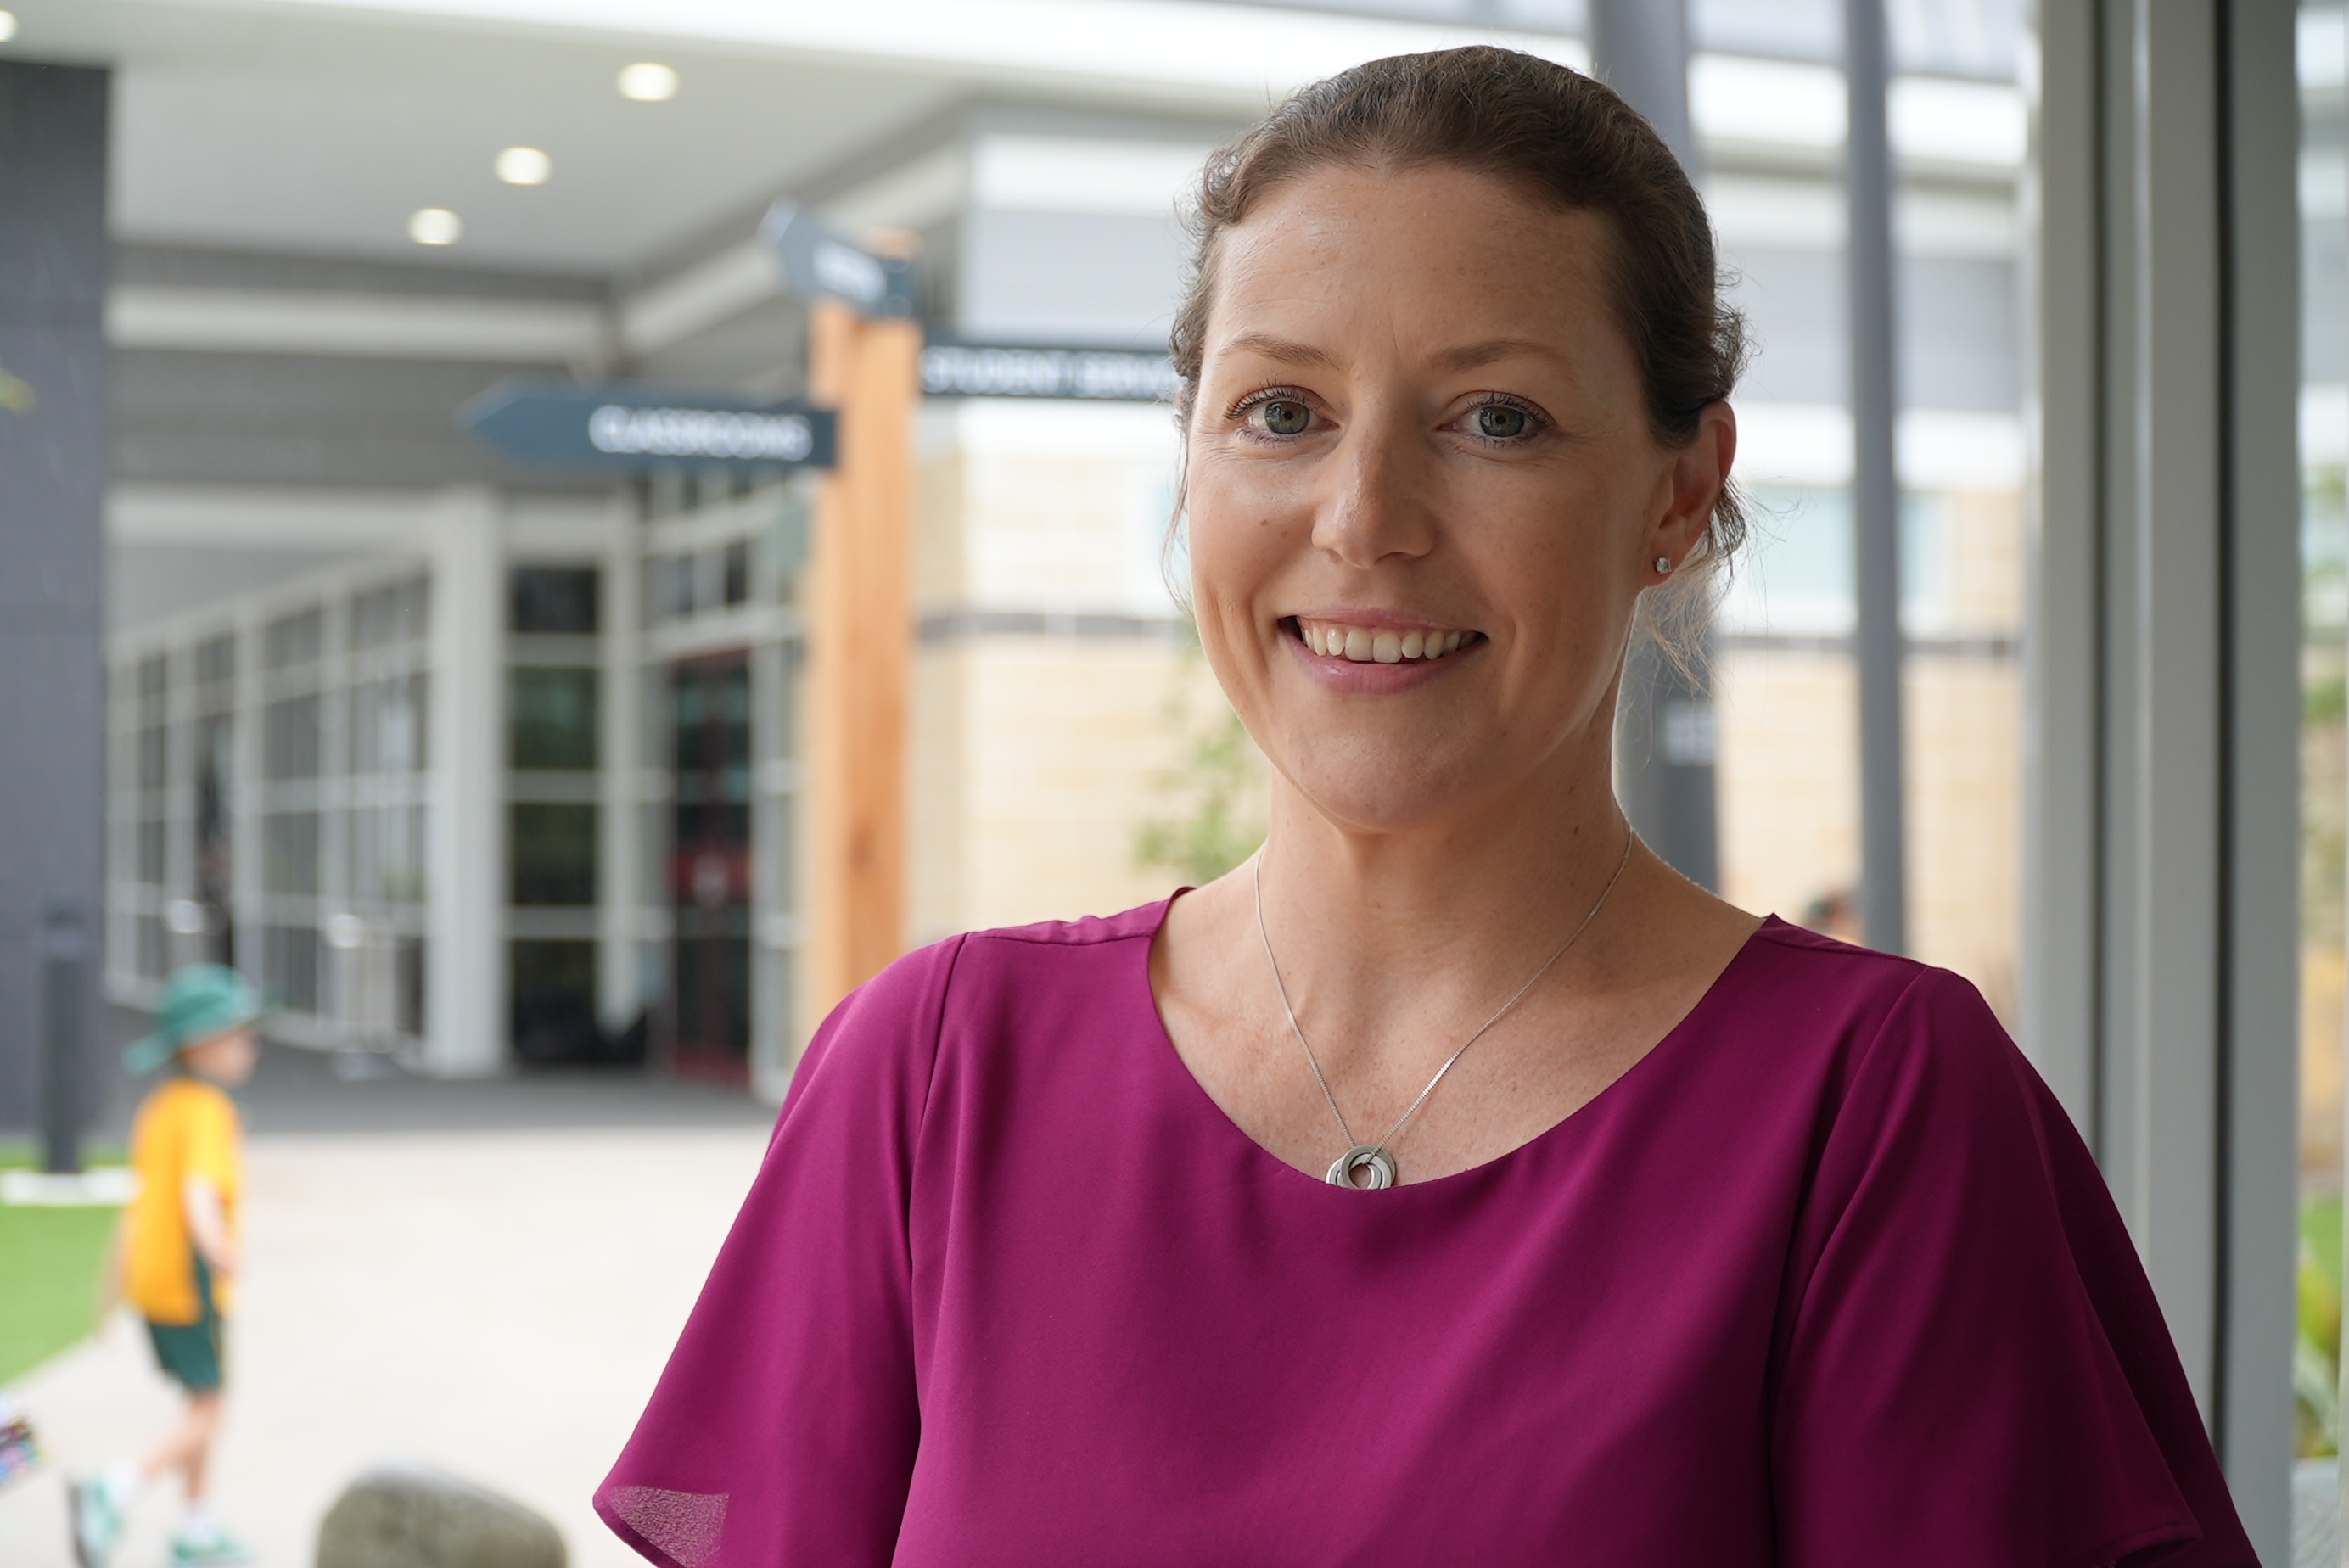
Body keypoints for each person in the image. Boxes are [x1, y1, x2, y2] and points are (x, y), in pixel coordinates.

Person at [597, 47, 2256, 1566]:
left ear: (1679, 491)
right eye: (1280, 413)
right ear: (1190, 456)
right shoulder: (939, 1067)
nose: (1363, 517)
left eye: (1494, 419)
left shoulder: (1869, 1113)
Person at [72, 965, 264, 1568]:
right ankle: (115, 1488)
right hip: (191, 1283)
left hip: (155, 1283)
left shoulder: (162, 1107)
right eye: (237, 1035)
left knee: (201, 1401)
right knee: (210, 1409)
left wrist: (110, 1288)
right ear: (199, 1046)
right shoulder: (208, 1111)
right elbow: (197, 1190)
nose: (249, 1047)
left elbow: (140, 1203)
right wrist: (216, 1245)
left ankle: (197, 1526)